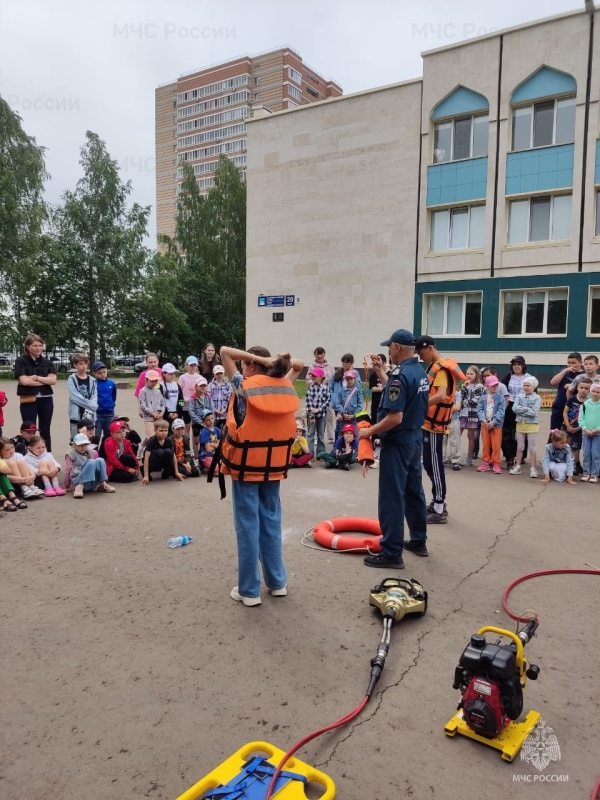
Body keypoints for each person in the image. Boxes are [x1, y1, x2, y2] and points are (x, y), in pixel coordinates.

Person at [219, 345, 303, 607]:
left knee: (248, 527)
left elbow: (223, 352)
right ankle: (277, 583)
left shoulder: (243, 387)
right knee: (271, 522)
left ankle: (249, 591)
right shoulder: (284, 385)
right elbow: (298, 364)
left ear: (252, 366)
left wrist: (258, 358)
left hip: (246, 469)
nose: (244, 368)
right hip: (273, 469)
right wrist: (276, 361)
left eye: (246, 364)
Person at [359, 329, 429, 567]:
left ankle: (391, 553)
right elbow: (400, 395)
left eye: (389, 346)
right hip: (414, 439)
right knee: (413, 492)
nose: (388, 350)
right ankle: (418, 540)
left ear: (397, 347)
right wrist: (380, 371)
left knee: (392, 497)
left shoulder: (400, 375)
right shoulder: (419, 371)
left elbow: (395, 416)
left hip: (398, 442)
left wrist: (370, 431)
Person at [414, 335, 465, 523]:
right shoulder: (433, 367)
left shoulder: (442, 369)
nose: (421, 357)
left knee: (435, 465)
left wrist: (421, 404)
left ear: (430, 348)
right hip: (429, 423)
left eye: (421, 353)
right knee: (429, 463)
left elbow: (442, 395)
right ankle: (437, 503)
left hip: (436, 425)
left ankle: (439, 508)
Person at [14, 333, 57, 452]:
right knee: (29, 430)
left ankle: (47, 455)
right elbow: (24, 381)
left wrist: (36, 378)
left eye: (40, 345)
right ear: (27, 346)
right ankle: (29, 454)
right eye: (35, 345)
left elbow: (53, 380)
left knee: (45, 429)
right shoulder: (21, 361)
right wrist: (45, 380)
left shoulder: (47, 362)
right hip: (29, 399)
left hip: (46, 398)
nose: (38, 348)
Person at [501, 356, 533, 468]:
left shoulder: (528, 378)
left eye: (518, 364)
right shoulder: (508, 377)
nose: (516, 366)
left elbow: (534, 393)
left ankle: (521, 456)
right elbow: (502, 390)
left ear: (523, 365)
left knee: (521, 431)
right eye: (514, 364)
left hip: (523, 406)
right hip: (510, 405)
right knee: (508, 431)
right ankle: (509, 455)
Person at [64, 433, 115, 498]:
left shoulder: (89, 452)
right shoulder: (71, 454)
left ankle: (102, 484)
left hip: (91, 482)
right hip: (78, 481)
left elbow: (95, 466)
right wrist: (67, 485)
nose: (83, 447)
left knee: (100, 460)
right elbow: (68, 468)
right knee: (91, 462)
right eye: (80, 445)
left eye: (85, 444)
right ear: (74, 445)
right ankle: (79, 488)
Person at [510, 376, 542, 477]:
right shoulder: (519, 396)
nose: (526, 387)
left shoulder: (537, 398)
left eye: (528, 385)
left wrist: (522, 409)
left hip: (532, 425)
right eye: (524, 385)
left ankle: (533, 469)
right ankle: (518, 466)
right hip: (520, 423)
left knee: (532, 447)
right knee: (520, 446)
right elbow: (514, 408)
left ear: (534, 386)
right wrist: (527, 409)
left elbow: (534, 412)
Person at [476, 375, 506, 474]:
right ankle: (485, 461)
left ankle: (495, 462)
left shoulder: (500, 398)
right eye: (492, 385)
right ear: (487, 386)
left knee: (496, 445)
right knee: (486, 444)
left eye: (496, 384)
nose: (495, 387)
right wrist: (483, 420)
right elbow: (479, 409)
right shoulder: (483, 398)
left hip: (496, 425)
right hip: (485, 425)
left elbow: (501, 411)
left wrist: (493, 422)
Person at [140, 420, 184, 484]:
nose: (164, 433)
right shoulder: (151, 441)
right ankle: (145, 470)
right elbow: (146, 458)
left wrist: (176, 472)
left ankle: (166, 471)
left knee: (169, 452)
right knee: (160, 452)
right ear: (155, 430)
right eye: (161, 431)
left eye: (166, 430)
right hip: (153, 461)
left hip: (162, 461)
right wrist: (146, 476)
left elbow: (173, 456)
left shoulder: (168, 440)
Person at [306, 347, 336, 442]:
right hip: (315, 394)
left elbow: (334, 378)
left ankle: (331, 437)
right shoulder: (312, 366)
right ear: (314, 355)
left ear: (324, 354)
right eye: (317, 354)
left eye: (321, 353)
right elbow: (308, 379)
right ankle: (314, 437)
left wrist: (328, 382)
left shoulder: (330, 366)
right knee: (314, 415)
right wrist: (316, 383)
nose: (319, 356)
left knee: (329, 415)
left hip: (327, 393)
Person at [563, 377, 591, 475]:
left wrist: (578, 428)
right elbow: (565, 412)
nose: (583, 390)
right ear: (577, 387)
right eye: (581, 387)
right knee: (565, 445)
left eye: (586, 388)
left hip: (579, 428)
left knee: (575, 447)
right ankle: (564, 464)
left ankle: (574, 466)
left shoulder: (589, 402)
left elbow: (588, 418)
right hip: (567, 426)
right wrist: (567, 425)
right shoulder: (572, 398)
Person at [67, 354, 98, 441]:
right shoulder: (72, 379)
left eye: (85, 363)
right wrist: (91, 405)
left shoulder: (92, 380)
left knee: (90, 439)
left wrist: (92, 405)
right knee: (75, 439)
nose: (83, 366)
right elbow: (74, 397)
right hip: (76, 415)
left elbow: (94, 397)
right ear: (75, 365)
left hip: (89, 415)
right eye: (80, 364)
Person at [458, 366, 484, 467]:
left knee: (470, 436)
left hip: (472, 414)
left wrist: (463, 402)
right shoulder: (465, 385)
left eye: (471, 374)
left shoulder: (479, 387)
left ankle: (469, 458)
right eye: (467, 373)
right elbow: (460, 397)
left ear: (476, 375)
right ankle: (455, 456)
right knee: (457, 434)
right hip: (462, 414)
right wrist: (464, 387)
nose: (469, 376)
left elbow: (474, 401)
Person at [549, 353, 583, 430]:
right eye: (569, 363)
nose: (571, 365)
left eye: (574, 363)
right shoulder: (564, 372)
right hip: (559, 405)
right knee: (554, 430)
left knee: (570, 430)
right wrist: (565, 371)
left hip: (574, 408)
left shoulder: (583, 375)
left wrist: (572, 385)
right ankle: (552, 441)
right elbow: (553, 382)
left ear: (581, 362)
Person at [305, 366, 329, 456]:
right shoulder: (310, 388)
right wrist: (312, 414)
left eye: (315, 375)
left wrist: (319, 409)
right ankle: (310, 454)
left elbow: (328, 400)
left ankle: (321, 453)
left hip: (322, 415)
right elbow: (308, 402)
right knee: (310, 434)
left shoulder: (325, 388)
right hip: (312, 415)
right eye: (312, 375)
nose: (313, 377)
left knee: (321, 435)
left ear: (321, 377)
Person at [332, 370, 363, 439]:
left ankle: (354, 448)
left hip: (353, 418)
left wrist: (354, 415)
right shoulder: (341, 390)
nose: (349, 381)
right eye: (347, 379)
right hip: (344, 417)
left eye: (351, 378)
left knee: (354, 434)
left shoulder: (358, 392)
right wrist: (343, 413)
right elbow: (338, 403)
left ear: (355, 379)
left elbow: (360, 405)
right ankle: (340, 447)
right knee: (342, 433)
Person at [580, 382, 600, 482]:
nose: (595, 393)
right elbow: (581, 418)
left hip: (598, 434)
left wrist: (597, 429)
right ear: (590, 392)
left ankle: (595, 474)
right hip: (586, 433)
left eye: (598, 392)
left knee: (596, 454)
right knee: (586, 453)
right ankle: (586, 472)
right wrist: (585, 429)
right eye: (593, 391)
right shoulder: (585, 404)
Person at [189, 377, 214, 459]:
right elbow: (191, 412)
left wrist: (209, 420)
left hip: (207, 422)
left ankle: (207, 457)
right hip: (197, 422)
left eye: (204, 386)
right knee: (196, 441)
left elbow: (212, 409)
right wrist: (200, 422)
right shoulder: (193, 398)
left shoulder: (209, 397)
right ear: (196, 387)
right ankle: (196, 457)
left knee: (208, 440)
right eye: (201, 386)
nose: (203, 387)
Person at [92, 361, 117, 440]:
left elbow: (113, 396)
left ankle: (106, 452)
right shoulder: (94, 384)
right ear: (94, 373)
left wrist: (111, 405)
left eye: (104, 372)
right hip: (97, 414)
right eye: (99, 373)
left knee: (108, 436)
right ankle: (95, 452)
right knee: (96, 435)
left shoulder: (111, 383)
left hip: (109, 413)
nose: (102, 374)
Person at [138, 369, 166, 438]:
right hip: (149, 418)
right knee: (151, 437)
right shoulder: (143, 391)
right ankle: (143, 448)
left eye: (156, 381)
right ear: (146, 380)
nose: (154, 383)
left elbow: (163, 403)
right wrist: (152, 413)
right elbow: (143, 405)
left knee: (158, 436)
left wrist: (162, 412)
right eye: (152, 381)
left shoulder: (158, 391)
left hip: (159, 418)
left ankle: (142, 447)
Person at [178, 356, 201, 436]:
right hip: (185, 406)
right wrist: (184, 400)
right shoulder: (182, 377)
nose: (193, 367)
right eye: (191, 365)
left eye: (195, 365)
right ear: (186, 365)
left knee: (195, 428)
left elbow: (202, 391)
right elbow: (179, 392)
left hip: (196, 406)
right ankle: (187, 446)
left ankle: (195, 446)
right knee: (186, 427)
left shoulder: (199, 378)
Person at [160, 363, 183, 431]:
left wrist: (178, 412)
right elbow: (159, 402)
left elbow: (181, 400)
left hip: (176, 413)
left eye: (174, 373)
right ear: (164, 374)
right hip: (165, 414)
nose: (173, 376)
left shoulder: (177, 385)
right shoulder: (160, 386)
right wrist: (167, 413)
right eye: (170, 374)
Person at [444, 391, 462, 472]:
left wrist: (444, 408)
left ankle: (455, 461)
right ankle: (440, 459)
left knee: (455, 442)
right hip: (442, 421)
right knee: (441, 441)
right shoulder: (441, 392)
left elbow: (457, 407)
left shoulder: (456, 393)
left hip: (453, 420)